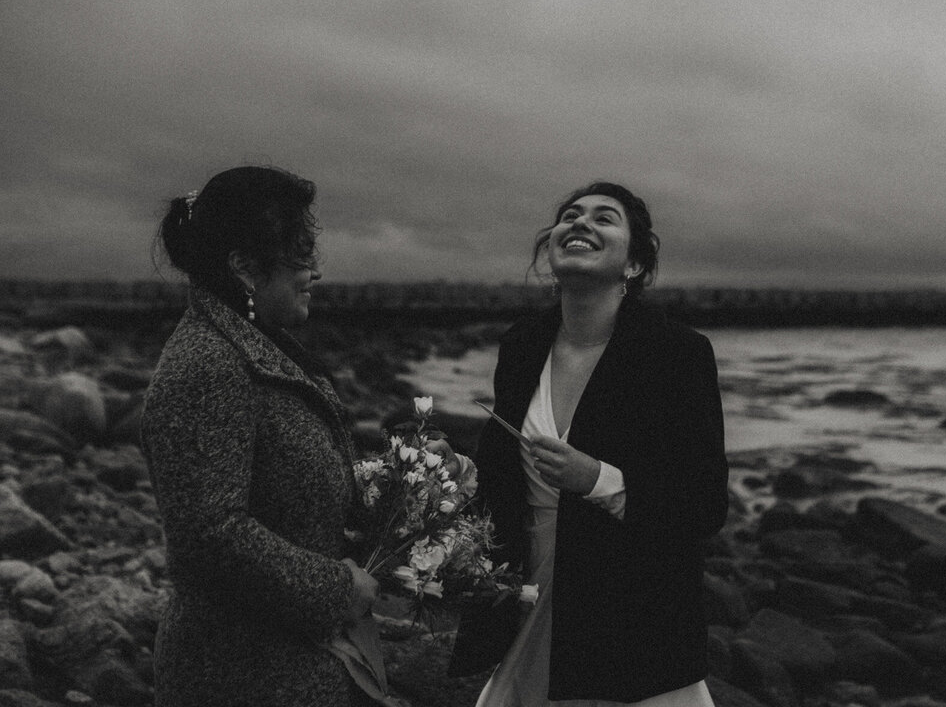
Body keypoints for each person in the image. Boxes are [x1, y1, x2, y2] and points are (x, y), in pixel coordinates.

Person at [141, 166, 447, 707]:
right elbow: (208, 534)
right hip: (238, 674)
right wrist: (337, 589)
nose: (316, 272)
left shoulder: (258, 348)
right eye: (301, 256)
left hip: (282, 665)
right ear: (244, 268)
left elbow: (290, 489)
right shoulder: (209, 366)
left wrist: (401, 484)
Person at [450, 182, 729, 705]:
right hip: (526, 596)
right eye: (571, 215)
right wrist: (456, 471)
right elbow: (503, 475)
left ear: (632, 265)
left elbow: (706, 505)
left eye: (605, 218)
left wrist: (599, 480)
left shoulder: (677, 354)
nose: (580, 223)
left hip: (628, 620)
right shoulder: (523, 342)